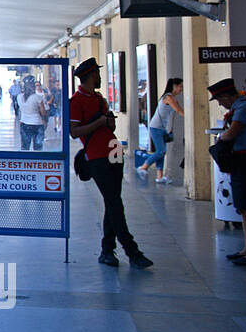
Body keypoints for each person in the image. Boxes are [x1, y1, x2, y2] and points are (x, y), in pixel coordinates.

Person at [70, 58, 153, 269]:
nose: (99, 78)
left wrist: (108, 122)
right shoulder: (76, 102)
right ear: (89, 76)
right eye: (97, 74)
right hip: (96, 155)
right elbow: (74, 132)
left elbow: (110, 128)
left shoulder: (100, 99)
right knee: (115, 202)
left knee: (112, 201)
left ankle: (107, 251)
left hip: (114, 152)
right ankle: (132, 251)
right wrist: (99, 123)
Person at [210, 78, 246, 267]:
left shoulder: (244, 108)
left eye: (219, 99)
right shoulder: (237, 109)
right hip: (240, 162)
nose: (220, 103)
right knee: (243, 208)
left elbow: (232, 132)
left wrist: (220, 138)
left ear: (226, 96)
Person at [139, 78, 184, 183]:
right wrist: (190, 117)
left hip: (162, 128)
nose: (182, 89)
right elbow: (178, 110)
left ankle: (159, 177)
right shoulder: (168, 97)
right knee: (161, 151)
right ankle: (144, 167)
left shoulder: (173, 98)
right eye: (180, 86)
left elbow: (175, 112)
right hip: (156, 127)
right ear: (174, 86)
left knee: (161, 152)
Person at [18, 77, 49, 150]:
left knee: (25, 147)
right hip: (37, 124)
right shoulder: (38, 97)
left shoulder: (19, 97)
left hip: (24, 123)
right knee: (38, 148)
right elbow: (43, 112)